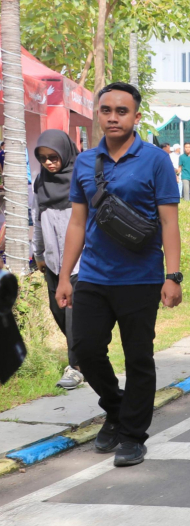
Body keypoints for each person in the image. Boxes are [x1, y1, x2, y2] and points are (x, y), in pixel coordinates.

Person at [56, 81, 183, 468]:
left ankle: (132, 435)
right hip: (93, 276)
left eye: (122, 111)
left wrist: (173, 275)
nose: (113, 117)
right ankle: (115, 408)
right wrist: (65, 277)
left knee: (138, 357)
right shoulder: (84, 161)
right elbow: (77, 223)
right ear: (98, 114)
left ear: (136, 117)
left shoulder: (155, 160)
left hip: (141, 278)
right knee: (86, 350)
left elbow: (169, 222)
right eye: (106, 110)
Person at [31, 129, 84, 390]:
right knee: (57, 311)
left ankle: (76, 366)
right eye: (42, 158)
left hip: (79, 262)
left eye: (53, 156)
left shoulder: (81, 180)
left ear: (65, 152)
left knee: (73, 312)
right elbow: (37, 219)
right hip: (52, 260)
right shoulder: (40, 183)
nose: (49, 162)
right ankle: (87, 354)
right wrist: (38, 254)